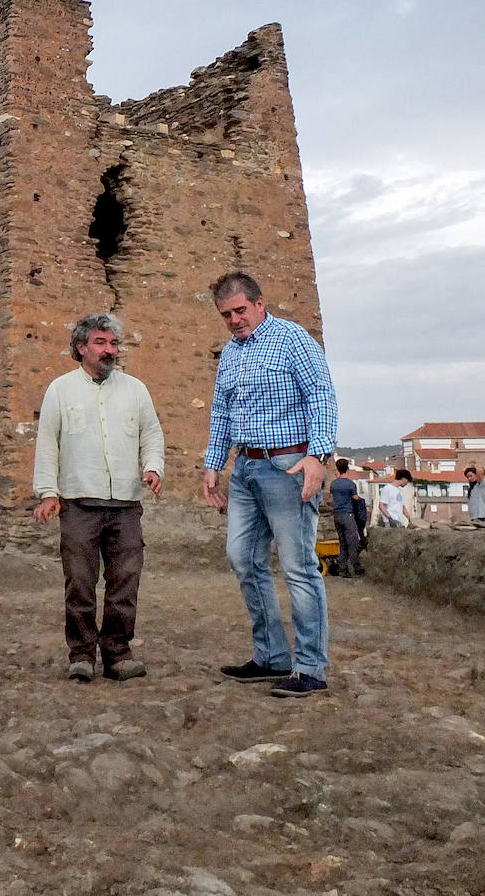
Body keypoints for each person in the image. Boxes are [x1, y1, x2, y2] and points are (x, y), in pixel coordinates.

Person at [201, 271, 338, 698]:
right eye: (227, 315)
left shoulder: (292, 338)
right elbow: (222, 410)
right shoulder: (230, 353)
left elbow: (322, 395)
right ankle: (271, 657)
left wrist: (318, 456)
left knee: (298, 568)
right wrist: (213, 465)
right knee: (243, 559)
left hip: (289, 466)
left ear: (260, 304)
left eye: (241, 310)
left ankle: (310, 667)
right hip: (245, 468)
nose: (235, 320)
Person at [32, 312, 164, 682]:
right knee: (79, 582)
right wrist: (47, 493)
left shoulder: (136, 389)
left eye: (113, 344)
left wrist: (153, 467)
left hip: (125, 505)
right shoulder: (60, 389)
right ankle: (81, 654)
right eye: (101, 343)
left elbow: (152, 435)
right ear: (81, 347)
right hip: (77, 504)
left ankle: (118, 654)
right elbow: (48, 444)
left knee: (126, 581)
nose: (109, 350)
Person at [329, 459, 364, 578]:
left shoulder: (333, 484)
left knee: (343, 543)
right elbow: (355, 498)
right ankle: (357, 568)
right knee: (352, 543)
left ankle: (342, 569)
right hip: (347, 515)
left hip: (336, 515)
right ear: (347, 468)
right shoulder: (350, 484)